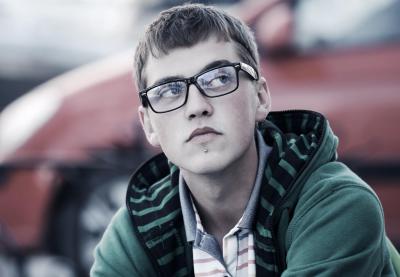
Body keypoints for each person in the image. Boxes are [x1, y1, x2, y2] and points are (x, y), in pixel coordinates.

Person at [90, 3, 396, 276]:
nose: (197, 107)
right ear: (148, 125)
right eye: (169, 91)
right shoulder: (137, 231)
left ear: (261, 98)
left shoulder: (338, 205)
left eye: (219, 78)